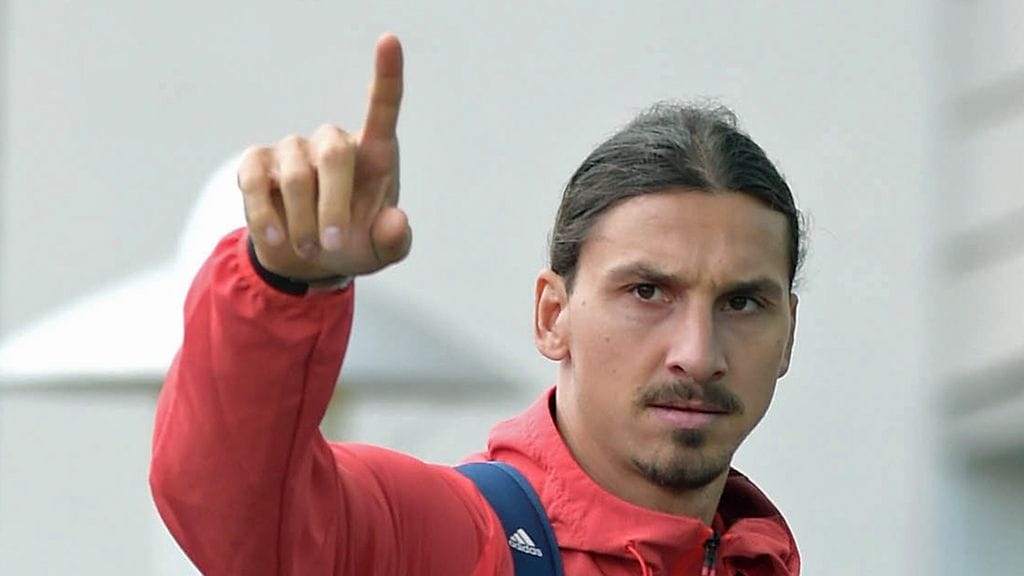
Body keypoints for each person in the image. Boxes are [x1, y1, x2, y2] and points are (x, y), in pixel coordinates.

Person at [150, 33, 803, 576]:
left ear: (789, 335)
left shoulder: (759, 556)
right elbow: (242, 516)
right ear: (552, 316)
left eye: (742, 302)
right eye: (647, 292)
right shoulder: (451, 538)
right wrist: (287, 283)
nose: (698, 353)